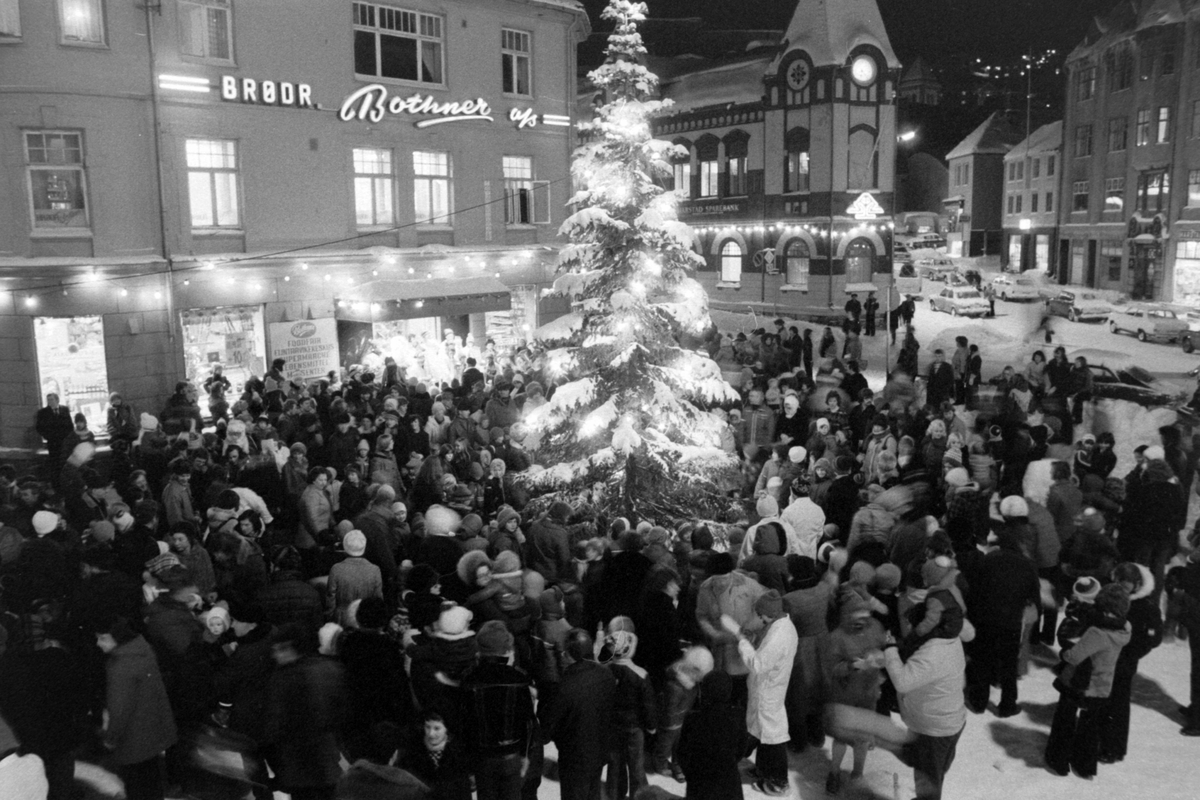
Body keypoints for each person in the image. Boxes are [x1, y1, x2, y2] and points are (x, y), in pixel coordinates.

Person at [1044, 583, 1131, 779]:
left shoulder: (1097, 632)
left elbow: (1074, 656)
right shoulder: (1125, 628)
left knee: (1064, 720)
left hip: (1080, 682)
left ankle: (1058, 760)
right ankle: (1084, 765)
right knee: (1090, 727)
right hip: (1102, 685)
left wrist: (1065, 653)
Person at [94, 615, 178, 800]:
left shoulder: (120, 667)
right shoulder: (143, 652)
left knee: (137, 788)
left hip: (133, 741)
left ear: (119, 638)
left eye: (103, 638)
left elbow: (119, 711)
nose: (98, 643)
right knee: (152, 783)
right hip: (152, 734)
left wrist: (111, 739)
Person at [264, 623, 347, 800]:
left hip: (299, 764)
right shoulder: (332, 669)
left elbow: (276, 724)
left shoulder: (283, 678)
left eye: (280, 649)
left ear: (292, 648)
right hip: (329, 759)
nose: (275, 654)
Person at [882, 625, 966, 800]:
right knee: (936, 770)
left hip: (933, 730)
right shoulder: (950, 640)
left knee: (928, 779)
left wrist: (890, 650)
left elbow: (902, 681)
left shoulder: (932, 653)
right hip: (952, 719)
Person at [727, 590, 798, 797]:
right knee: (761, 732)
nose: (759, 619)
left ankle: (778, 782)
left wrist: (742, 642)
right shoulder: (782, 624)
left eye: (761, 615)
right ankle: (764, 770)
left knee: (772, 736)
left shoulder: (780, 635)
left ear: (770, 614)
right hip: (768, 688)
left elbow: (758, 664)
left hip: (768, 691)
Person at [460, 621, 536, 800]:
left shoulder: (469, 678)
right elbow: (529, 723)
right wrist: (525, 756)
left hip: (482, 758)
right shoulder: (519, 678)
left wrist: (468, 765)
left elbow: (465, 725)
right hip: (511, 756)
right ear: (506, 648)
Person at [544, 629, 616, 800]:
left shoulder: (564, 687)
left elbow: (548, 727)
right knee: (593, 792)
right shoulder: (606, 674)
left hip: (574, 757)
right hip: (600, 749)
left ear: (570, 656)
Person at [676, 671, 746, 800]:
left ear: (705, 691)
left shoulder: (693, 718)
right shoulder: (738, 715)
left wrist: (690, 774)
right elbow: (742, 748)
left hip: (700, 778)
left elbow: (682, 752)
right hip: (728, 778)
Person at [35, 393, 73, 483]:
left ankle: (66, 482)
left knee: (65, 462)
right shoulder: (43, 412)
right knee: (55, 464)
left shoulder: (64, 409)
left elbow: (70, 425)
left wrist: (67, 437)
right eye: (48, 400)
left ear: (57, 400)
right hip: (53, 443)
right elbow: (39, 427)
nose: (50, 402)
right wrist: (47, 436)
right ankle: (57, 484)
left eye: (51, 400)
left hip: (64, 442)